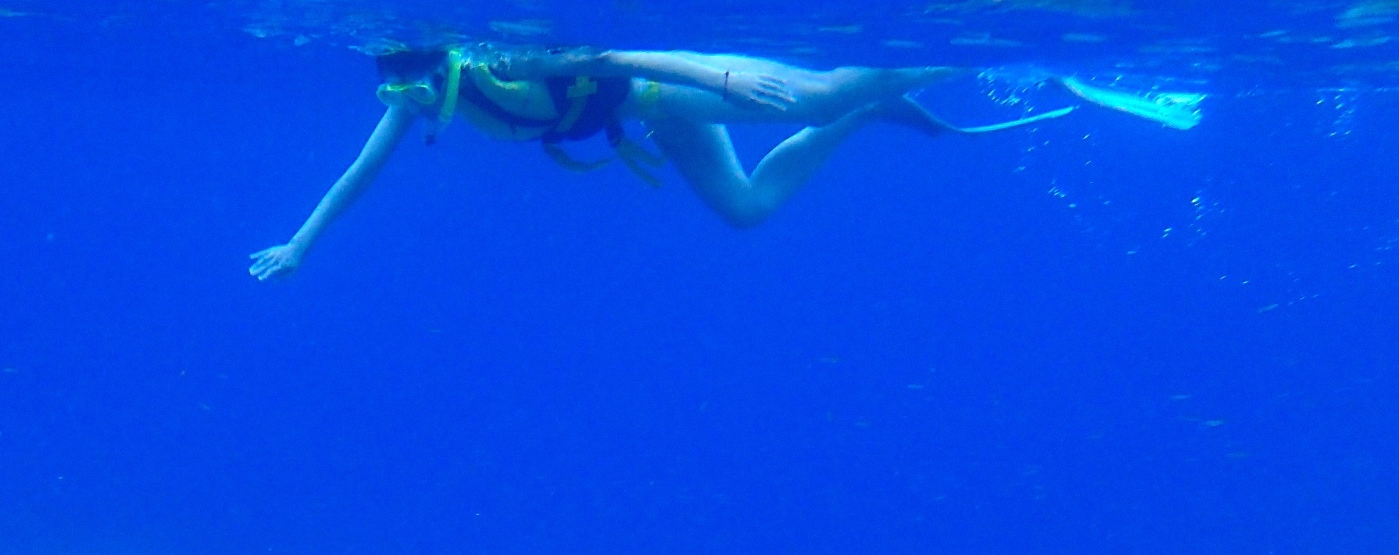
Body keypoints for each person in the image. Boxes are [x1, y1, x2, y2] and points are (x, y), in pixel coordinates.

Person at [249, 48, 1069, 280]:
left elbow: (609, 54)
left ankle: (963, 52)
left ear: (439, 64)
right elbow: (357, 175)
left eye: (411, 84)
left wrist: (722, 78)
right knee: (747, 209)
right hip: (650, 119)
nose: (404, 99)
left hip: (665, 87)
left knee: (810, 95)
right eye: (390, 86)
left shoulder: (506, 61)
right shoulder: (419, 98)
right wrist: (299, 245)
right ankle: (865, 110)